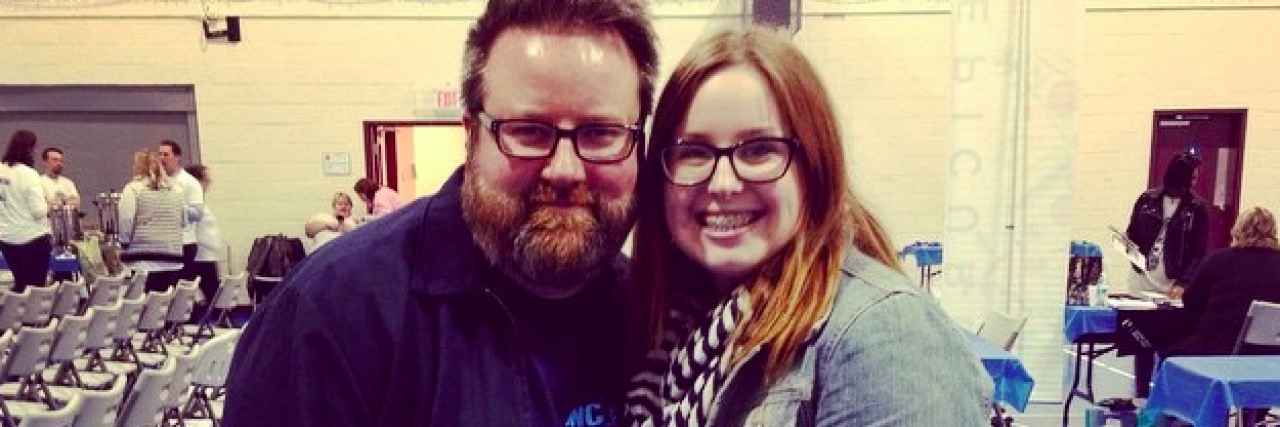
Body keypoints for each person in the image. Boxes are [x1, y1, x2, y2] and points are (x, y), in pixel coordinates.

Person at [223, 0, 659, 425]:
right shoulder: (333, 315)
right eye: (527, 131)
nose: (565, 170)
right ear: (470, 138)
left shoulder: (651, 316)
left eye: (603, 133)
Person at [624, 28, 991, 426]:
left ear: (814, 166)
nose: (723, 183)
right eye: (693, 152)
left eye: (759, 150)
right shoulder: (672, 332)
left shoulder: (884, 334)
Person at [1165, 206, 1280, 356]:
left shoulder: (1218, 260)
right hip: (1268, 354)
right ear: (1272, 233)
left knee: (1167, 344)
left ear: (1238, 230)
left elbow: (1191, 301)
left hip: (1216, 348)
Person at [1124, 152, 1210, 298]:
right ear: (1181, 178)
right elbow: (1132, 231)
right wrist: (1126, 244)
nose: (1194, 183)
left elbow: (1198, 252)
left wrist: (1184, 283)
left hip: (1172, 284)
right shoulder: (1147, 199)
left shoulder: (1197, 208)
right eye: (1192, 178)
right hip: (1140, 279)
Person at [119, 149, 185, 292]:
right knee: (163, 305)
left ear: (138, 167)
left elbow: (126, 220)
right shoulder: (177, 190)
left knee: (145, 308)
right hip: (173, 257)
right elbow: (183, 221)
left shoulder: (133, 189)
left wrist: (124, 244)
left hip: (144, 260)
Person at [0, 130, 52, 292]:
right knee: (35, 290)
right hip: (32, 239)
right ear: (29, 149)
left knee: (21, 284)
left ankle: (15, 315)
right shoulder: (29, 174)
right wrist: (50, 204)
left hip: (7, 239)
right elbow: (38, 211)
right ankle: (31, 317)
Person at [158, 139, 204, 281]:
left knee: (181, 289)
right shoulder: (160, 181)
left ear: (177, 157)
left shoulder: (189, 182)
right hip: (166, 244)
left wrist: (177, 205)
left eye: (166, 155)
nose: (162, 158)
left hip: (184, 244)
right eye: (160, 154)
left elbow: (197, 214)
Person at [186, 164, 224, 303]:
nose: (209, 184)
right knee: (214, 298)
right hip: (199, 258)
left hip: (208, 256)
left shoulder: (200, 203)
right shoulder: (191, 204)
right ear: (197, 182)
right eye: (207, 180)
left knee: (215, 296)